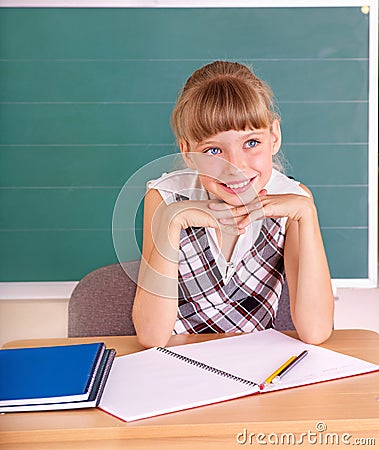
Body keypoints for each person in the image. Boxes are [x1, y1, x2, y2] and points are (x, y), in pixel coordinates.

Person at [132, 60, 334, 348]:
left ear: (273, 137)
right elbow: (152, 337)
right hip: (180, 366)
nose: (235, 166)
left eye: (251, 143)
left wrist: (307, 212)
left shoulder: (293, 201)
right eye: (213, 150)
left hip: (257, 368)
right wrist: (172, 219)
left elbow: (316, 332)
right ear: (188, 153)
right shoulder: (165, 197)